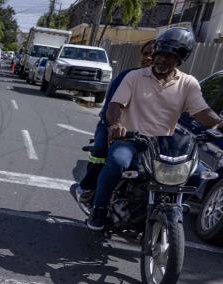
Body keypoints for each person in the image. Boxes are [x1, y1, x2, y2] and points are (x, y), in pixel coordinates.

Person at [87, 28, 223, 231]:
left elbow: (202, 112)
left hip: (164, 145)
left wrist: (220, 124)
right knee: (117, 162)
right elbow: (115, 106)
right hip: (131, 139)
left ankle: (172, 206)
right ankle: (99, 208)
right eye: (159, 54)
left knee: (197, 173)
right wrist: (116, 124)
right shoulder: (134, 77)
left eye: (169, 56)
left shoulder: (188, 83)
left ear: (180, 59)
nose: (161, 60)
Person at [77, 39, 154, 204]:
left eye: (153, 55)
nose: (149, 58)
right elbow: (110, 107)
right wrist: (114, 126)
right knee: (100, 148)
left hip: (147, 134)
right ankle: (89, 187)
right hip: (116, 128)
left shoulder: (172, 84)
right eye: (146, 54)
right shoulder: (126, 76)